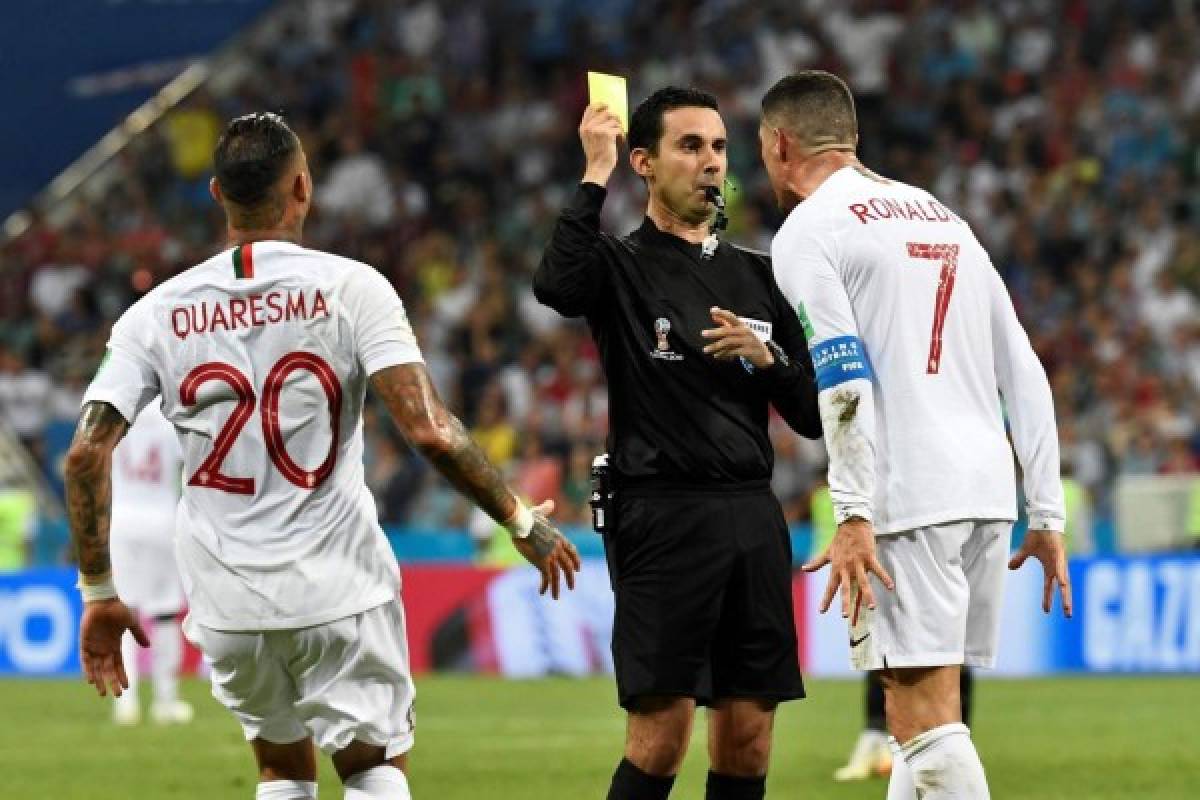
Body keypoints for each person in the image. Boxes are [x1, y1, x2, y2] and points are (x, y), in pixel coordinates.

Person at [65, 111, 581, 800]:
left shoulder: (152, 315)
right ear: (303, 188)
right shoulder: (352, 288)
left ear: (217, 195)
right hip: (338, 586)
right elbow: (428, 429)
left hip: (227, 599)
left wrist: (98, 592)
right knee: (371, 768)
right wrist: (520, 519)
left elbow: (84, 454)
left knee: (281, 772)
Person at [759, 71, 1071, 800]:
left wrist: (854, 511)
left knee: (922, 720)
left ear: (779, 145)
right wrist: (1047, 513)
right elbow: (1023, 368)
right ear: (852, 138)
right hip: (986, 494)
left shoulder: (810, 229)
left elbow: (843, 380)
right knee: (922, 723)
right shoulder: (940, 215)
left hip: (909, 493)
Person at [534, 87, 821, 800]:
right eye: (689, 146)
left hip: (753, 517)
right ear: (645, 162)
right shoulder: (621, 265)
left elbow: (815, 413)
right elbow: (556, 285)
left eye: (719, 147)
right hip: (661, 516)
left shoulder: (761, 275)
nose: (709, 163)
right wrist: (594, 171)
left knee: (749, 741)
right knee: (660, 741)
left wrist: (768, 360)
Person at [107, 400, 192, 726]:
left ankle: (125, 704)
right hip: (161, 518)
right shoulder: (170, 411)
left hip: (123, 520)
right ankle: (165, 701)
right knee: (166, 612)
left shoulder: (116, 406)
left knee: (124, 611)